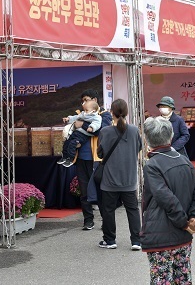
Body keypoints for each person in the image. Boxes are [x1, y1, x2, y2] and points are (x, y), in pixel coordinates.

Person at [140, 117, 195, 284]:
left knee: (162, 280)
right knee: (183, 279)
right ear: (171, 137)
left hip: (161, 234)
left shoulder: (152, 165)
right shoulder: (184, 160)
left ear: (147, 140)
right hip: (182, 236)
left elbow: (166, 198)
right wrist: (194, 217)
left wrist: (185, 222)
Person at [97, 98, 142, 250]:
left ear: (112, 113)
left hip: (110, 179)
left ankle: (110, 240)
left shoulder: (105, 132)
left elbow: (101, 154)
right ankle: (136, 241)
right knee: (133, 210)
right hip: (129, 179)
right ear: (127, 112)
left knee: (108, 210)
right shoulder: (135, 130)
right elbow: (138, 148)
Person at [74, 89, 113, 231]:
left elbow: (102, 131)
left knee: (100, 190)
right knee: (84, 191)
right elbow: (73, 128)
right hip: (81, 158)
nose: (84, 103)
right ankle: (88, 220)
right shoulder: (80, 114)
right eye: (83, 100)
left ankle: (106, 220)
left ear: (95, 100)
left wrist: (82, 125)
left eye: (87, 99)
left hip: (97, 159)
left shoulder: (105, 115)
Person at [58, 100, 102, 167]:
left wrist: (92, 127)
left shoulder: (97, 117)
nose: (85, 112)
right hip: (77, 132)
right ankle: (64, 157)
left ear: (93, 111)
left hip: (83, 135)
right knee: (67, 142)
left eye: (86, 110)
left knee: (73, 144)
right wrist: (69, 119)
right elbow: (76, 117)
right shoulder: (83, 114)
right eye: (84, 110)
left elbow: (97, 124)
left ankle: (70, 159)